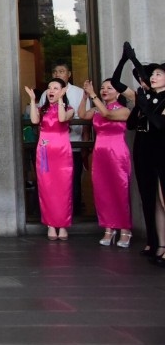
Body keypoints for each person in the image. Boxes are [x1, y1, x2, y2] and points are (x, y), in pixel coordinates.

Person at [114, 43, 165, 261]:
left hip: (161, 148)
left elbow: (160, 124)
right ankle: (158, 244)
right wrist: (127, 58)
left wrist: (143, 106)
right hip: (144, 146)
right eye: (152, 74)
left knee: (162, 199)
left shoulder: (159, 99)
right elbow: (132, 124)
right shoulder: (146, 96)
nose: (152, 77)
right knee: (149, 197)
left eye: (158, 74)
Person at [79, 78, 132, 247]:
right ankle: (109, 227)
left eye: (110, 88)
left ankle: (125, 228)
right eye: (102, 88)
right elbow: (81, 115)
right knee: (102, 190)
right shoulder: (96, 108)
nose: (105, 90)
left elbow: (107, 114)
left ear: (118, 92)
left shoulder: (124, 110)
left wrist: (94, 95)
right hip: (100, 152)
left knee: (120, 190)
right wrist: (85, 96)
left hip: (117, 152)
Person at [25, 78, 74, 241]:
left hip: (62, 153)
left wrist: (60, 100)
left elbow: (61, 119)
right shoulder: (42, 109)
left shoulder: (69, 109)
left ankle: (63, 225)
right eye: (49, 87)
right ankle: (51, 224)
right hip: (45, 151)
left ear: (62, 91)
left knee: (63, 189)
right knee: (47, 188)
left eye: (56, 88)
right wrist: (32, 101)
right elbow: (34, 120)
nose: (51, 90)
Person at [38, 62, 87, 216]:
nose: (58, 74)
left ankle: (73, 213)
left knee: (72, 181)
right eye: (55, 71)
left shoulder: (78, 92)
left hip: (73, 144)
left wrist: (85, 144)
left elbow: (85, 120)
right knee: (50, 181)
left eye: (62, 71)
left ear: (69, 74)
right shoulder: (45, 94)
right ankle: (52, 215)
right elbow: (39, 117)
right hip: (48, 147)